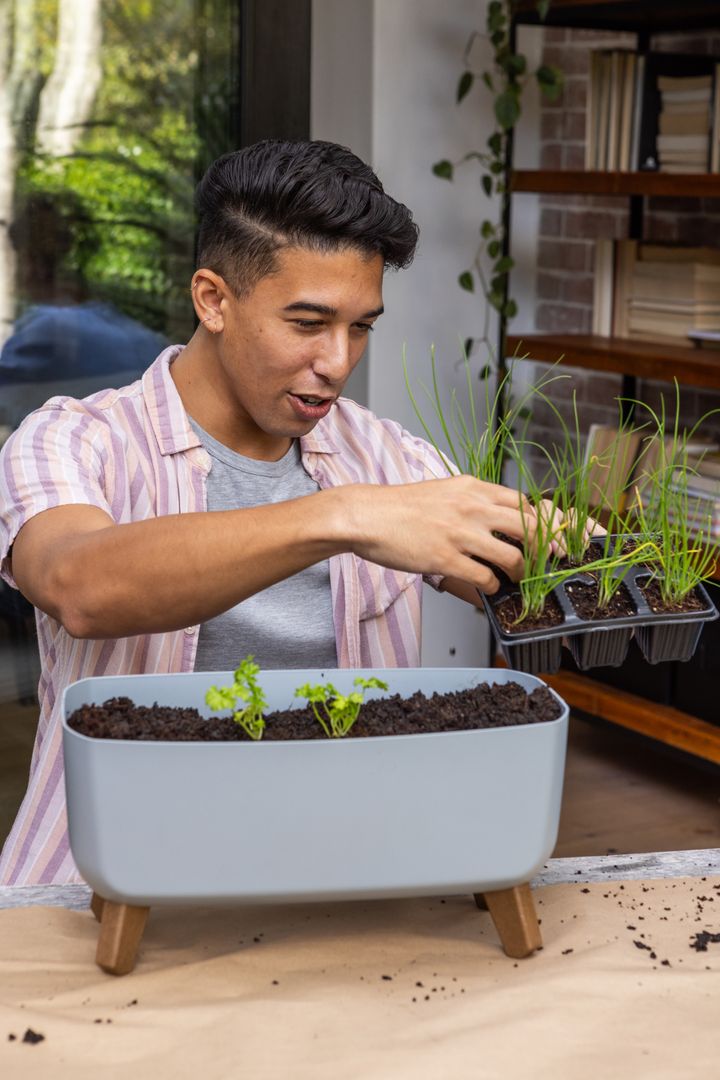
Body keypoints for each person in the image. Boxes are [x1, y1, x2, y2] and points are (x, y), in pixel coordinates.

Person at [0, 139, 545, 886]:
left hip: (347, 877)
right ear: (213, 300)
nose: (339, 361)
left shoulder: (387, 456)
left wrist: (602, 557)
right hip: (108, 885)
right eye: (308, 323)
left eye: (362, 327)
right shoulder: (75, 440)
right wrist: (340, 517)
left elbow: (537, 564)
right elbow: (78, 586)